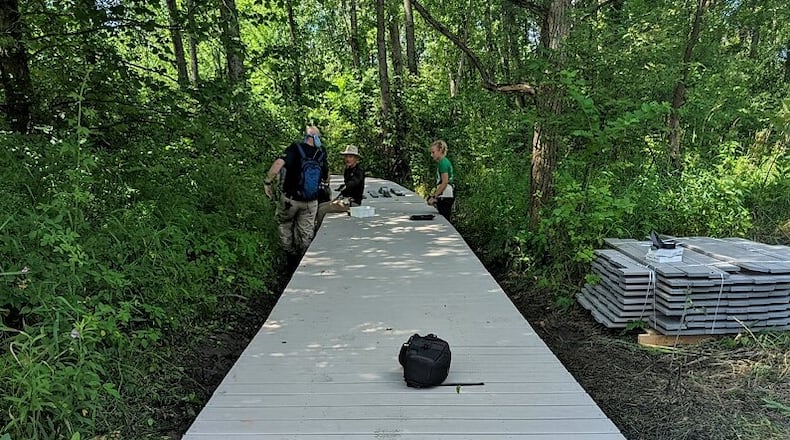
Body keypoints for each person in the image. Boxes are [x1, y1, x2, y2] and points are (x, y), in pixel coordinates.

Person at [264, 125, 329, 267]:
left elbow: (278, 165)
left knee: (284, 224)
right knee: (306, 231)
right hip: (311, 201)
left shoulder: (295, 148)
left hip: (290, 200)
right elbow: (325, 176)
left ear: (305, 136)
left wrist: (267, 182)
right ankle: (305, 260)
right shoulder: (321, 152)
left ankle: (290, 256)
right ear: (317, 138)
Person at [314, 145, 366, 232]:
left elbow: (355, 182)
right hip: (344, 199)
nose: (347, 159)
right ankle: (315, 228)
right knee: (320, 205)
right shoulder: (348, 170)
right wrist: (338, 196)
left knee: (322, 210)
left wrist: (346, 186)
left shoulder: (359, 171)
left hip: (353, 203)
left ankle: (317, 232)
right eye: (346, 156)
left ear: (356, 158)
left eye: (350, 157)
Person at [426, 139, 455, 220]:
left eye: (433, 152)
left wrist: (434, 196)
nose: (432, 155)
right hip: (445, 194)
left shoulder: (443, 163)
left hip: (445, 195)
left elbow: (445, 182)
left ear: (440, 150)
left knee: (444, 218)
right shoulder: (444, 162)